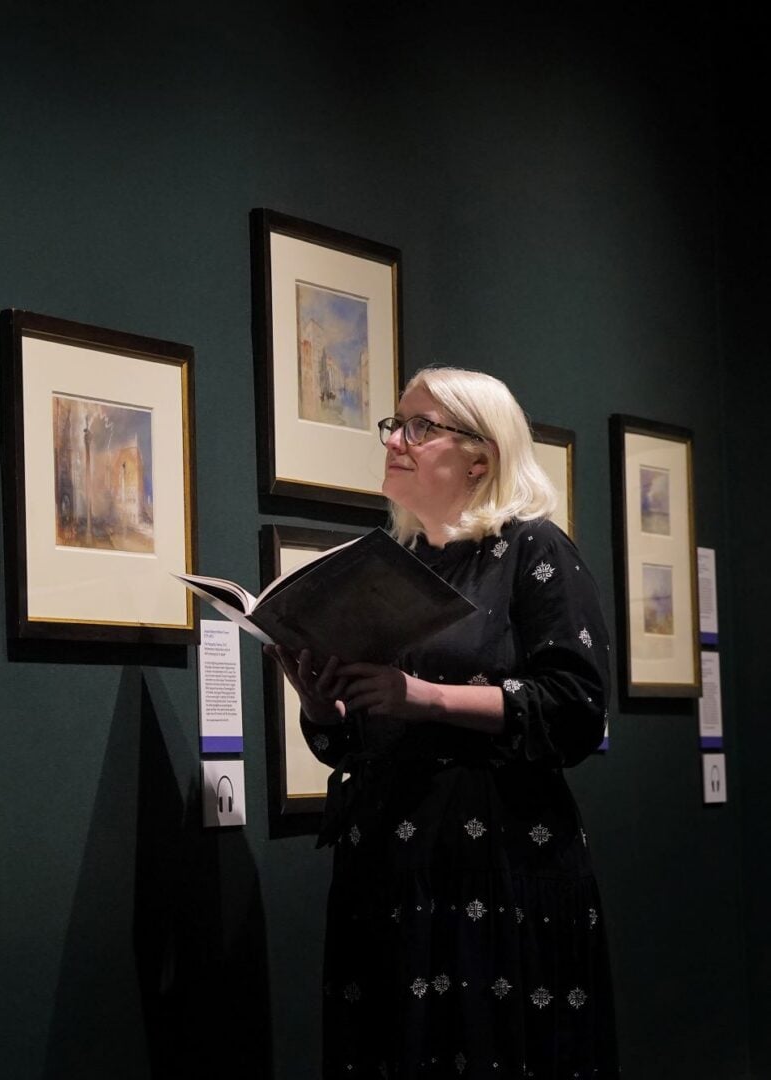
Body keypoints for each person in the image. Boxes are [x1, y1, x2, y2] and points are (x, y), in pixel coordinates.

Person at [268, 366, 618, 1078]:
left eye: (420, 427)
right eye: (395, 424)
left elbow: (575, 708)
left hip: (496, 866)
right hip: (389, 868)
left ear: (480, 457)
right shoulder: (396, 562)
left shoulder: (531, 549)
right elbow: (362, 733)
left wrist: (424, 697)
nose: (396, 440)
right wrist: (321, 706)